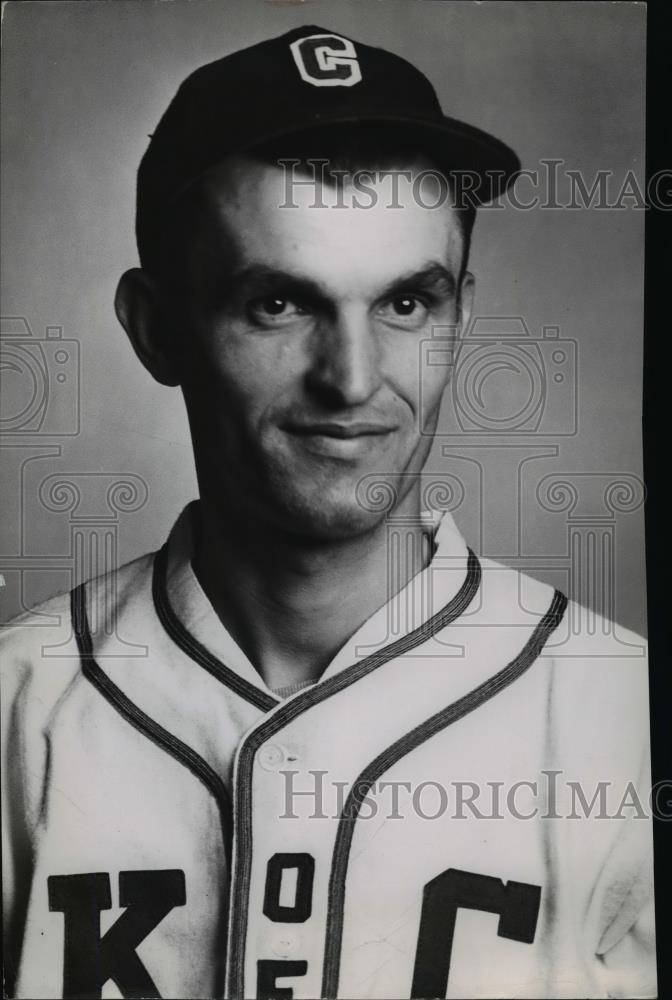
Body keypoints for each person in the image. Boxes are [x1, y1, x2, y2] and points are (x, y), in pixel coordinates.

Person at [1, 24, 655, 1000]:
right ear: (157, 328)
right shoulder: (15, 710)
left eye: (405, 304)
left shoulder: (622, 720)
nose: (352, 380)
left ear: (461, 316)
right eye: (279, 305)